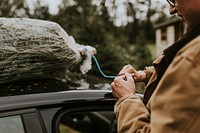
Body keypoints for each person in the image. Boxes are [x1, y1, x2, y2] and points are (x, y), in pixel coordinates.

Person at [111, 0, 200, 132]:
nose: (172, 10)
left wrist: (127, 99)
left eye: (175, 0)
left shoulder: (193, 59)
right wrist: (146, 74)